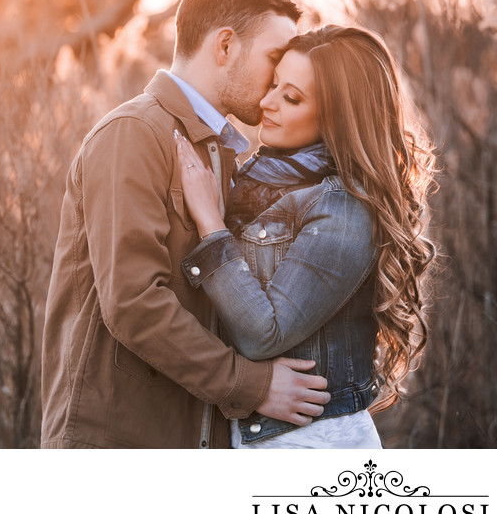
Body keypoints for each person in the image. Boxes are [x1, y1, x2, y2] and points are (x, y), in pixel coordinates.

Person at [41, 0, 331, 449]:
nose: (279, 79)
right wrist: (253, 386)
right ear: (224, 46)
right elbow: (134, 304)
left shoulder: (221, 154)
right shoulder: (134, 133)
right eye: (274, 58)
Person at [176, 25, 437, 448]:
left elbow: (264, 334)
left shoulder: (345, 208)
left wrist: (210, 223)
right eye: (274, 84)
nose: (266, 102)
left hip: (314, 446)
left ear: (336, 118)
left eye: (291, 97)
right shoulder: (257, 183)